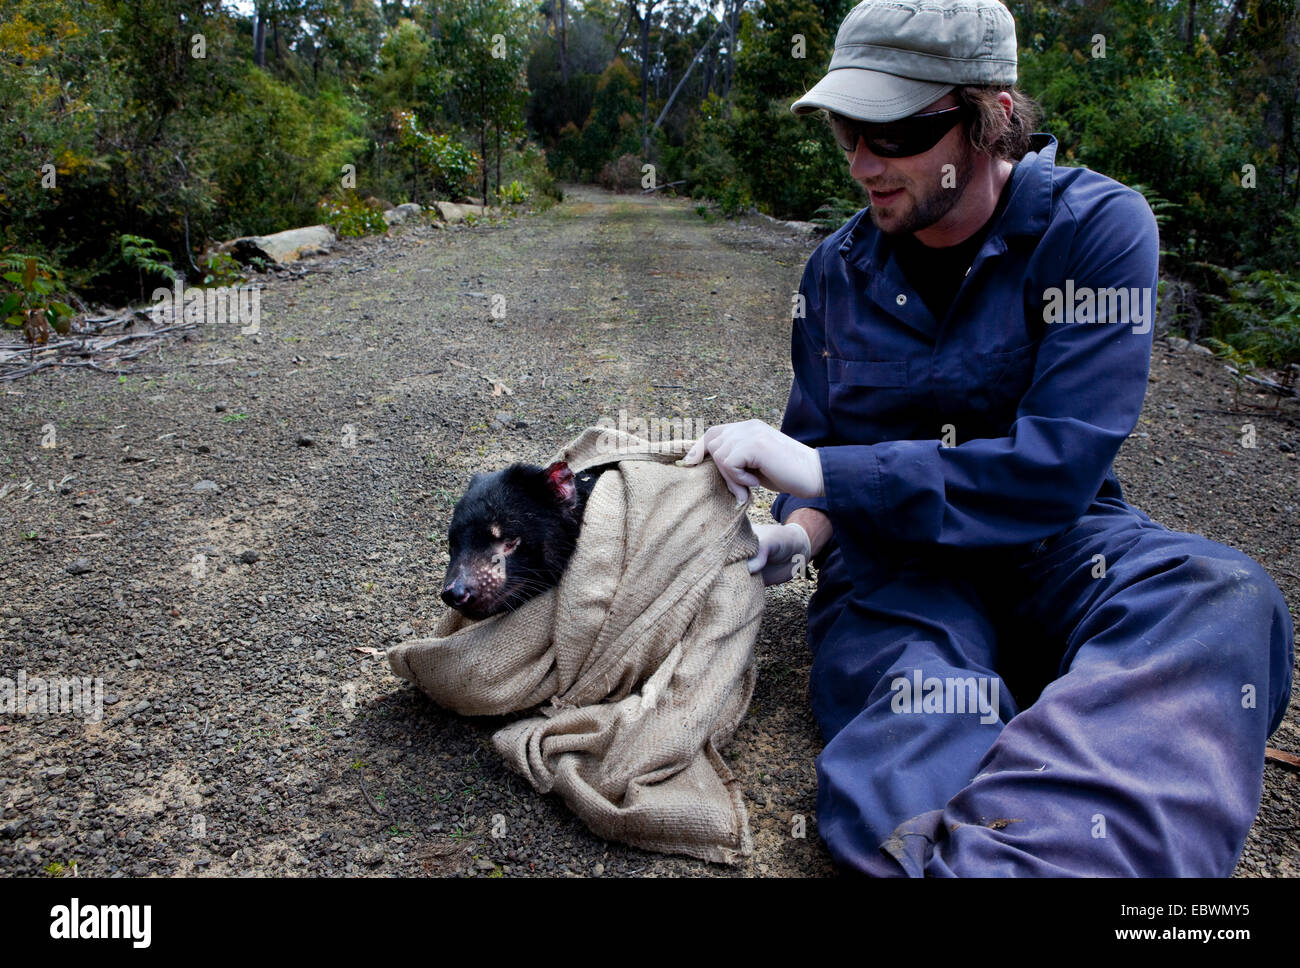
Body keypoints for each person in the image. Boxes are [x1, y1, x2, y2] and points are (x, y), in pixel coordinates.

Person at [681, 0, 1294, 876]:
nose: (862, 163)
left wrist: (821, 471)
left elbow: (1056, 470)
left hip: (1061, 545)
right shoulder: (834, 271)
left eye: (891, 134)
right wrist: (795, 530)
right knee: (926, 696)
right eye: (848, 132)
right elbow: (821, 446)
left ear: (991, 115)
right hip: (898, 564)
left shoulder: (1098, 231)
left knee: (1223, 596)